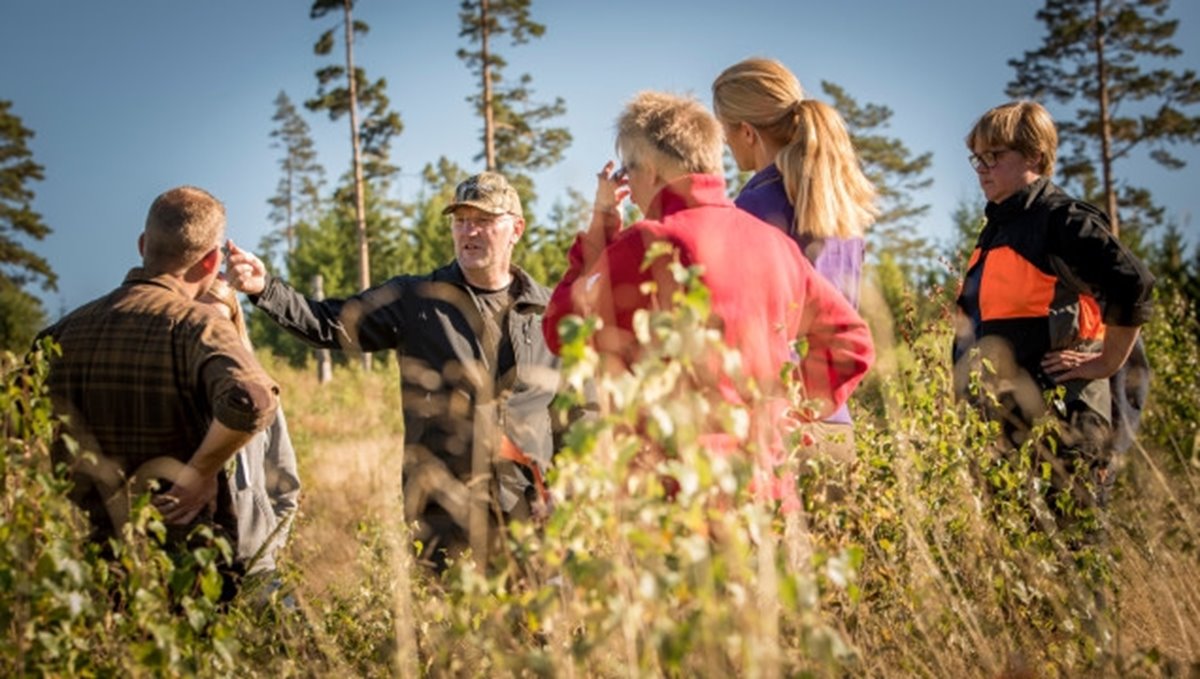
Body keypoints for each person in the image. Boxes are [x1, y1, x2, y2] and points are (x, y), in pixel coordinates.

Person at [541, 91, 874, 502]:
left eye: (629, 169)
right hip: (765, 491)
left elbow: (561, 330)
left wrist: (602, 231)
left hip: (676, 493)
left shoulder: (646, 243)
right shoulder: (774, 244)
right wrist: (785, 415)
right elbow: (851, 343)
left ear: (648, 170)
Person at [226, 171, 561, 569]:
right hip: (443, 513)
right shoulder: (418, 301)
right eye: (460, 221)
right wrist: (266, 290)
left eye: (484, 221)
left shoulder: (549, 311)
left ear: (516, 229)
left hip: (528, 509)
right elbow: (329, 323)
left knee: (534, 626)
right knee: (446, 626)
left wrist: (566, 485)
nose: (468, 231)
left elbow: (570, 408)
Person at [37, 186, 279, 552]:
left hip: (77, 558)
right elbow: (254, 398)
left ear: (142, 244)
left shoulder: (60, 332)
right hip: (181, 559)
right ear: (212, 262)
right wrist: (198, 474)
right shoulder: (201, 327)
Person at [953, 101, 1155, 512]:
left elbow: (1134, 284)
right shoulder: (997, 230)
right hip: (1003, 426)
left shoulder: (1060, 218)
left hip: (1063, 424)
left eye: (995, 156)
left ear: (1036, 156)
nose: (982, 168)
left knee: (1070, 557)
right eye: (978, 157)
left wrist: (1105, 362)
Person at [712, 57, 878, 463]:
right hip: (835, 423)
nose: (724, 145)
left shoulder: (754, 208)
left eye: (724, 132)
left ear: (747, 132)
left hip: (775, 426)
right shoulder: (841, 207)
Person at [198, 277, 300, 584]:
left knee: (289, 629)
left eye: (220, 322)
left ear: (234, 323)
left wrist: (268, 547)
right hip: (199, 569)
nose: (212, 335)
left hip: (258, 565)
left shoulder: (262, 395)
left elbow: (287, 488)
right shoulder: (181, 394)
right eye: (201, 322)